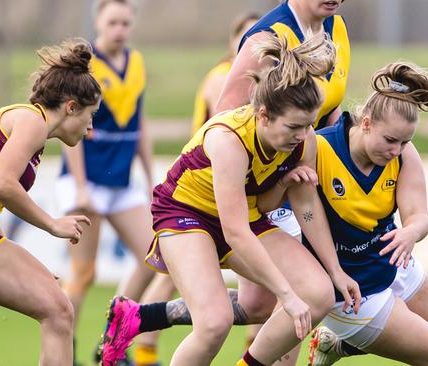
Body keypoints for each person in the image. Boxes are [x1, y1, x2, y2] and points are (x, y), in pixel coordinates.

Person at [100, 33, 360, 366]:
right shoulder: (229, 140)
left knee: (318, 294)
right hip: (186, 212)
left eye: (309, 125)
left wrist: (336, 271)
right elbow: (236, 232)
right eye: (294, 126)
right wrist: (286, 294)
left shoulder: (303, 139)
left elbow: (294, 206)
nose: (302, 135)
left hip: (244, 214)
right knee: (214, 323)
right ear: (263, 115)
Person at [305, 62, 428, 365]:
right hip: (349, 283)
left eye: (405, 142)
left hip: (388, 257)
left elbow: (419, 217)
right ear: (366, 123)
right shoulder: (321, 148)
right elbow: (299, 211)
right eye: (390, 140)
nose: (396, 150)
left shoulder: (402, 156)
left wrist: (410, 232)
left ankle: (335, 345)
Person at [220, 1, 351, 359]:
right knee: (288, 300)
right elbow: (222, 119)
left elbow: (327, 111)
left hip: (300, 181)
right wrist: (268, 178)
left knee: (263, 304)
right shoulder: (266, 38)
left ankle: (145, 315)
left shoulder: (336, 29)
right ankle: (148, 318)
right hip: (258, 188)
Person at [130, 12, 260, 366]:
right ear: (235, 43)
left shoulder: (263, 83)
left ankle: (137, 325)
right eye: (247, 37)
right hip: (202, 187)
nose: (255, 44)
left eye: (260, 36)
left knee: (238, 297)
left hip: (230, 185)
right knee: (179, 282)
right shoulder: (223, 79)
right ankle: (142, 345)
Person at [57, 1, 155, 362]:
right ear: (98, 20)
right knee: (83, 272)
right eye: (113, 22)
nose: (120, 29)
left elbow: (140, 125)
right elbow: (69, 128)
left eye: (125, 23)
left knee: (155, 254)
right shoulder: (87, 66)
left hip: (122, 180)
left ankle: (114, 335)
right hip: (89, 181)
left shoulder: (137, 63)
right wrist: (81, 186)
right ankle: (63, 347)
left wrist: (149, 178)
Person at [0, 39, 101, 366]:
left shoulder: (29, 125)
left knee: (58, 309)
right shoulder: (33, 122)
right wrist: (53, 224)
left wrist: (26, 266)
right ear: (71, 107)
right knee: (58, 311)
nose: (90, 127)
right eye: (91, 115)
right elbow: (2, 183)